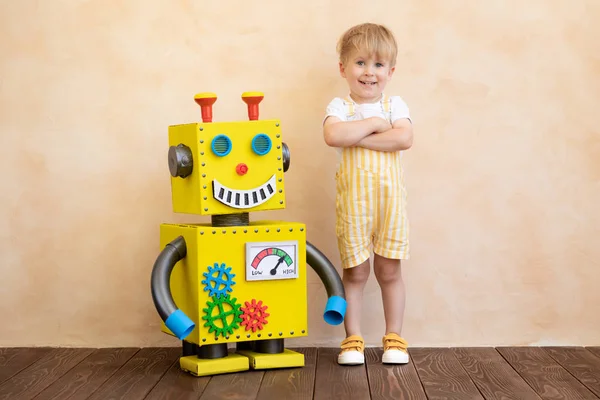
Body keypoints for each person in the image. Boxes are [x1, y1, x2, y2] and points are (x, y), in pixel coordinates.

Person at [322, 22, 414, 365]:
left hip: (390, 206)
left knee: (390, 272)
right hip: (354, 206)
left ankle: (394, 338)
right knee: (356, 273)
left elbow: (403, 139)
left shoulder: (395, 106)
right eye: (360, 63)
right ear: (343, 68)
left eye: (378, 65)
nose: (369, 72)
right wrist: (375, 125)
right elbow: (334, 136)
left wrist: (357, 136)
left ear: (390, 71)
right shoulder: (339, 108)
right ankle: (353, 339)